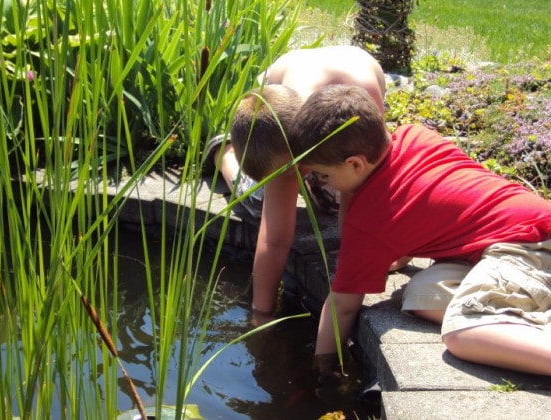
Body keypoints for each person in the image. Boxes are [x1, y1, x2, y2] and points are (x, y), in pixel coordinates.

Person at [289, 84, 551, 376]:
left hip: (530, 245)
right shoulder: (414, 135)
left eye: (325, 175)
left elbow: (343, 306)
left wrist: (323, 368)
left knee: (461, 330)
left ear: (355, 164)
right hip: (518, 234)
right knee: (419, 295)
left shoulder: (373, 219)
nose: (324, 183)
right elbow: (418, 217)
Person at [206, 46, 402, 322]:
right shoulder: (283, 125)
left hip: (348, 81)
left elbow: (358, 191)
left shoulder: (356, 109)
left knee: (341, 196)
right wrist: (261, 314)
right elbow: (273, 239)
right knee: (257, 201)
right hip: (279, 90)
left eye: (296, 170)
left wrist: (356, 257)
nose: (295, 178)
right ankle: (224, 153)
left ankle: (226, 151)